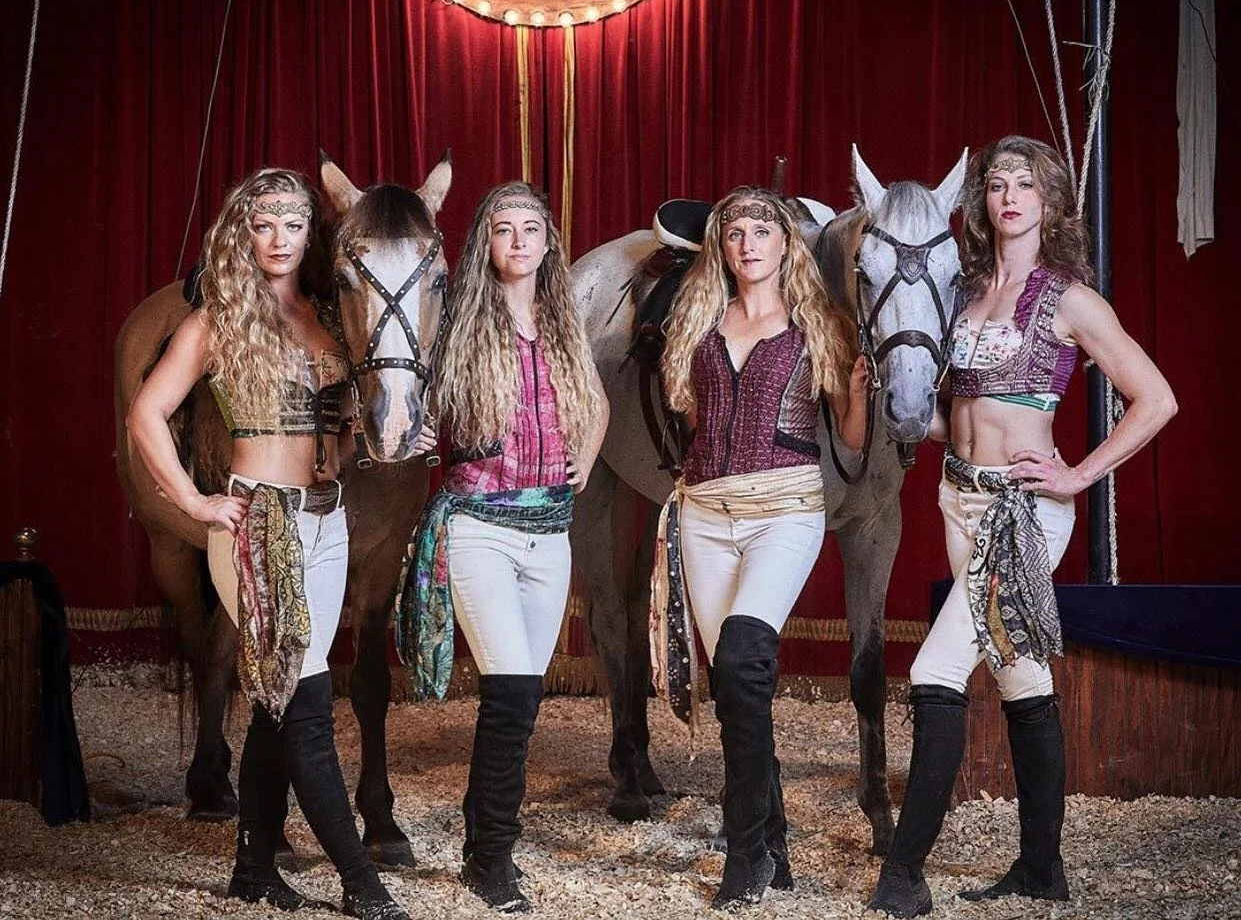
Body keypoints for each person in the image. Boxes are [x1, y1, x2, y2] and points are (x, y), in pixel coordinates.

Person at [866, 136, 1178, 917]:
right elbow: (952, 417)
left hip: (1022, 512)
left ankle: (902, 877)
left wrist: (1076, 474)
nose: (1008, 196)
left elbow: (1155, 397)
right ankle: (1042, 869)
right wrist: (889, 400)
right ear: (981, 202)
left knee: (935, 673)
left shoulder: (1068, 298)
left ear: (1049, 201)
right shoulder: (965, 289)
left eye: (1024, 184)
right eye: (997, 183)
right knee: (1020, 678)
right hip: (956, 498)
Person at [127, 168, 408, 920]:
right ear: (242, 233)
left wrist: (369, 439)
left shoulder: (328, 315)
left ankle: (251, 869)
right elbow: (147, 414)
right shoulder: (218, 320)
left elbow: (348, 422)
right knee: (309, 708)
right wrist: (192, 500)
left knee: (276, 708)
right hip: (260, 527)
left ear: (311, 234)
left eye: (293, 224)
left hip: (327, 521)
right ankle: (362, 881)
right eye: (263, 224)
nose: (279, 239)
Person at [652, 186, 868, 909]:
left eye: (761, 232)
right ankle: (771, 841)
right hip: (705, 513)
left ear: (785, 244)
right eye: (735, 232)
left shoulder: (819, 324)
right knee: (735, 686)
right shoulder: (697, 318)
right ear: (721, 245)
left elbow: (850, 439)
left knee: (744, 659)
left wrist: (860, 393)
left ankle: (744, 855)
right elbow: (690, 414)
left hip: (785, 509)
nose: (748, 244)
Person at [398, 182, 608, 913]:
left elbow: (596, 402)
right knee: (512, 690)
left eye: (530, 229)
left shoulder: (562, 319)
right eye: (503, 229)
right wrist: (416, 430)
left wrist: (586, 456)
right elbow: (404, 393)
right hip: (478, 523)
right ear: (484, 242)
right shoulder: (455, 317)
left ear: (548, 242)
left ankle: (481, 841)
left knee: (520, 700)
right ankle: (491, 858)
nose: (518, 241)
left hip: (550, 530)